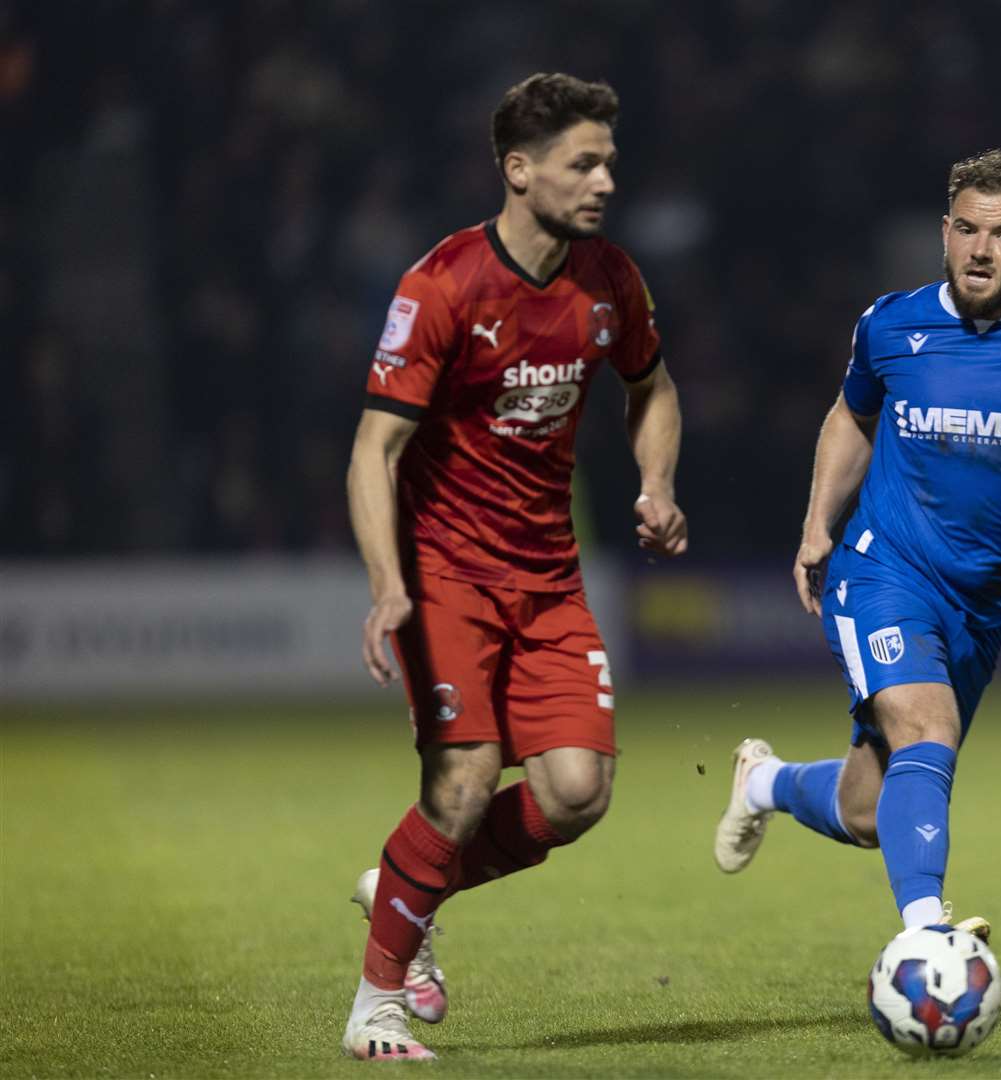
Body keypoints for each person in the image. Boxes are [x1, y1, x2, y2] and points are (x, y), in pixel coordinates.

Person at [714, 150, 1001, 942]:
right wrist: (817, 525)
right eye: (966, 229)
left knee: (870, 811)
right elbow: (850, 416)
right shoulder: (892, 324)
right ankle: (927, 942)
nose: (979, 250)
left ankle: (764, 782)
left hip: (977, 605)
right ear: (943, 231)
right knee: (929, 732)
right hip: (882, 567)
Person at [342, 72, 686, 1061]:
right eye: (585, 162)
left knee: (578, 794)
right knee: (466, 776)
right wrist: (388, 586)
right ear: (519, 170)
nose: (606, 180)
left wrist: (656, 483)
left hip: (549, 578)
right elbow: (374, 448)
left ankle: (408, 888)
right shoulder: (444, 285)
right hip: (446, 572)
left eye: (610, 161)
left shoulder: (610, 280)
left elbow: (653, 386)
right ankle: (376, 1006)